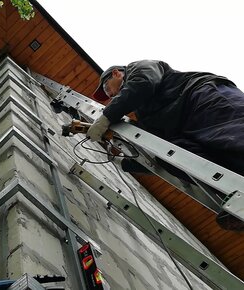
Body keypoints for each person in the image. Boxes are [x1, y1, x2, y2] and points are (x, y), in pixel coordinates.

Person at [86, 59, 244, 231]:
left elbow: (143, 84)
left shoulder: (138, 69)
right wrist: (125, 161)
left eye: (107, 88)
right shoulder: (144, 111)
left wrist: (105, 117)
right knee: (173, 160)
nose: (110, 96)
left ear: (117, 73)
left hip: (201, 97)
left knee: (232, 137)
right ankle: (237, 198)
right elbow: (156, 146)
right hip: (185, 128)